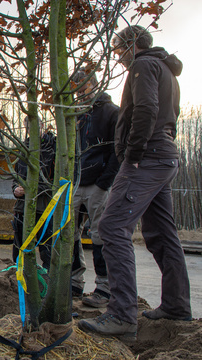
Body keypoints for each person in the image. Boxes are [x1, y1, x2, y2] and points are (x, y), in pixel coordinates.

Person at [78, 25, 192, 341]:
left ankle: (121, 314)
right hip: (164, 155)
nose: (118, 59)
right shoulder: (167, 69)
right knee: (161, 233)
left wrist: (134, 151)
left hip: (148, 156)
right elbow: (173, 112)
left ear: (131, 45)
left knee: (112, 227)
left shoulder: (143, 64)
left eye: (118, 51)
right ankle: (176, 305)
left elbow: (146, 108)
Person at [70, 69, 120, 308]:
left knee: (99, 235)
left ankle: (104, 287)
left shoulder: (111, 112)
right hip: (78, 182)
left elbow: (117, 151)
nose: (79, 93)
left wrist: (104, 181)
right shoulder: (77, 114)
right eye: (76, 89)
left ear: (93, 84)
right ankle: (74, 282)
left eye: (82, 88)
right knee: (69, 233)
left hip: (98, 183)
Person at [11, 117, 56, 270]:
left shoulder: (53, 147)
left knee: (47, 249)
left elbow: (56, 181)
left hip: (45, 207)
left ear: (42, 125)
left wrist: (32, 189)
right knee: (19, 247)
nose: (30, 130)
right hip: (22, 207)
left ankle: (47, 281)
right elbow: (15, 176)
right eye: (27, 127)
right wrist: (15, 190)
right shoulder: (24, 147)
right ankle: (19, 278)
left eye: (33, 126)